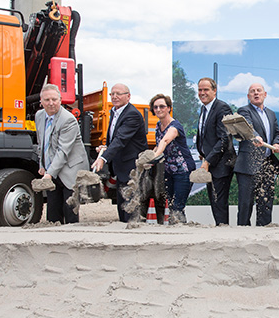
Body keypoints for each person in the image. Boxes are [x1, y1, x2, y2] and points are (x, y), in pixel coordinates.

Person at [91, 83, 148, 222]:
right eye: (112, 94)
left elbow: (121, 139)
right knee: (122, 208)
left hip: (131, 168)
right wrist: (106, 147)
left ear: (128, 96)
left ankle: (132, 237)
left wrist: (103, 158)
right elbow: (115, 138)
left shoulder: (132, 114)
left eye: (118, 93)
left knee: (130, 209)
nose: (114, 96)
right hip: (120, 167)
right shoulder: (114, 111)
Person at [35, 84, 90, 224]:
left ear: (60, 100)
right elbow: (42, 143)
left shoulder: (68, 120)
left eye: (54, 99)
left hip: (70, 169)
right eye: (47, 100)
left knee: (70, 210)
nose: (51, 103)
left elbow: (63, 151)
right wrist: (42, 164)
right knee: (53, 211)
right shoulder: (39, 116)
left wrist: (49, 174)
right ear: (41, 101)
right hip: (53, 168)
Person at [234, 83, 279, 226]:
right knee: (245, 204)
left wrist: (277, 143)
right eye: (252, 91)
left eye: (259, 91)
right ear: (248, 96)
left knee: (266, 203)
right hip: (248, 165)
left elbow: (277, 134)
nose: (256, 93)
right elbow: (247, 127)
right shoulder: (244, 111)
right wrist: (255, 136)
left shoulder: (271, 114)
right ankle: (243, 235)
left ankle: (264, 234)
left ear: (265, 94)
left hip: (267, 165)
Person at [196, 77, 236, 225]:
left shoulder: (222, 108)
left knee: (219, 203)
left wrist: (208, 161)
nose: (202, 93)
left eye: (206, 89)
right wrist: (202, 151)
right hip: (211, 163)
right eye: (200, 90)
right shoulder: (204, 108)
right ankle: (220, 229)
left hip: (221, 165)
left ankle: (223, 232)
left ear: (214, 90)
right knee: (214, 201)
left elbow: (224, 140)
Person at [150, 93, 195, 224]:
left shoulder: (175, 126)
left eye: (162, 106)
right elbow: (158, 146)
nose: (158, 109)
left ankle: (181, 234)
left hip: (184, 170)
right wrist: (146, 158)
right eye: (155, 107)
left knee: (177, 206)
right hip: (169, 171)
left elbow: (165, 141)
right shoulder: (158, 127)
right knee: (171, 205)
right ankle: (176, 230)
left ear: (169, 108)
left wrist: (154, 156)